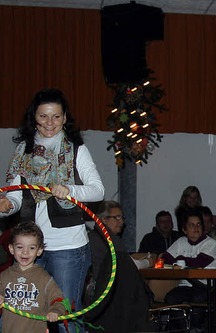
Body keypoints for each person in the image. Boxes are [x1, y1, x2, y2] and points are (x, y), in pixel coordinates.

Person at [0, 88, 104, 333]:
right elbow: (14, 197)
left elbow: (98, 190)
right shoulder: (22, 152)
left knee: (65, 316)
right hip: (30, 247)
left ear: (65, 118)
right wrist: (6, 206)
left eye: (56, 116)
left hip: (67, 247)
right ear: (34, 117)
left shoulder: (76, 150)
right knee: (31, 316)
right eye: (44, 116)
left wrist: (70, 190)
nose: (50, 123)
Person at [86, 201, 153, 332]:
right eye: (116, 217)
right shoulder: (110, 240)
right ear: (103, 220)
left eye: (122, 217)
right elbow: (130, 266)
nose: (121, 221)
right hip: (110, 295)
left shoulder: (93, 237)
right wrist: (148, 262)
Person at [162, 209, 216, 329]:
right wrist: (179, 261)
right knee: (171, 298)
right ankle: (182, 329)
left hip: (208, 287)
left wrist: (179, 259)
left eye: (199, 224)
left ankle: (197, 329)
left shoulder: (212, 244)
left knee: (197, 299)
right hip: (186, 286)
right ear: (184, 229)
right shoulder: (181, 242)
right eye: (191, 225)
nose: (196, 227)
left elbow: (198, 263)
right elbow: (165, 258)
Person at [0, 221, 65, 333]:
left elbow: (58, 299)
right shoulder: (4, 276)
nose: (25, 252)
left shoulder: (44, 278)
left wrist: (55, 310)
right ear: (11, 249)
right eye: (20, 247)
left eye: (31, 248)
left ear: (39, 251)